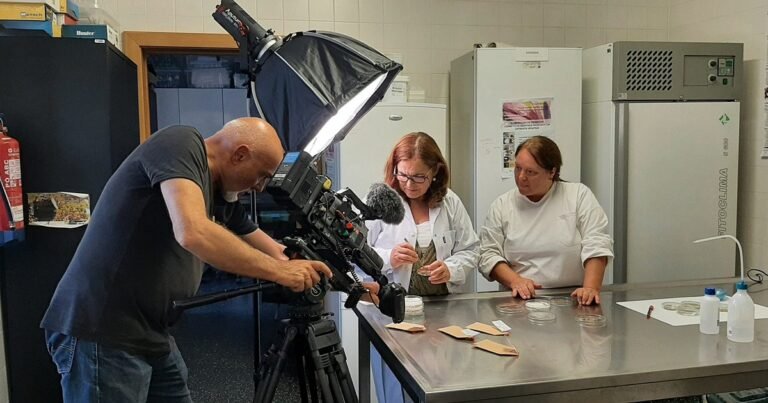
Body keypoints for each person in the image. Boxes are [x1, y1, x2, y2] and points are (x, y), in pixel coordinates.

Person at [40, 118, 332, 403]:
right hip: (104, 331)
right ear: (240, 154)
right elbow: (193, 232)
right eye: (263, 175)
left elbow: (252, 234)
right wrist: (280, 272)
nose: (259, 188)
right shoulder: (181, 142)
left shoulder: (217, 187)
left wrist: (310, 265)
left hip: (151, 331)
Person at [365, 132, 479, 403]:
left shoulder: (450, 202)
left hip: (440, 311)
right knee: (396, 388)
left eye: (419, 177)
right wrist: (388, 257)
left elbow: (471, 249)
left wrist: (450, 268)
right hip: (392, 312)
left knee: (438, 382)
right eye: (402, 175)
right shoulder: (381, 200)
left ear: (436, 172)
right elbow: (357, 252)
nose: (409, 184)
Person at [479, 135, 612, 305]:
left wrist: (590, 288)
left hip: (571, 297)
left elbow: (597, 243)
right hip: (520, 300)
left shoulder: (578, 196)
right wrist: (516, 281)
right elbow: (488, 254)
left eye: (530, 172)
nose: (521, 177)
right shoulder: (502, 205)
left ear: (552, 172)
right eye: (518, 168)